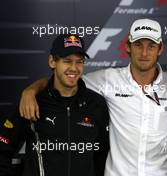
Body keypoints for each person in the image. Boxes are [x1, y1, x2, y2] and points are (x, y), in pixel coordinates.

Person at [19, 19, 167, 176]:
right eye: (138, 45)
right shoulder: (108, 79)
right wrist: (31, 90)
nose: (144, 52)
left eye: (151, 46)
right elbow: (68, 78)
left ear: (160, 49)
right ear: (128, 46)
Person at [0, 34, 109, 176]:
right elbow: (3, 148)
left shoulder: (96, 103)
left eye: (79, 62)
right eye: (67, 61)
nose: (74, 68)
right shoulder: (32, 101)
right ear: (52, 61)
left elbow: (103, 156)